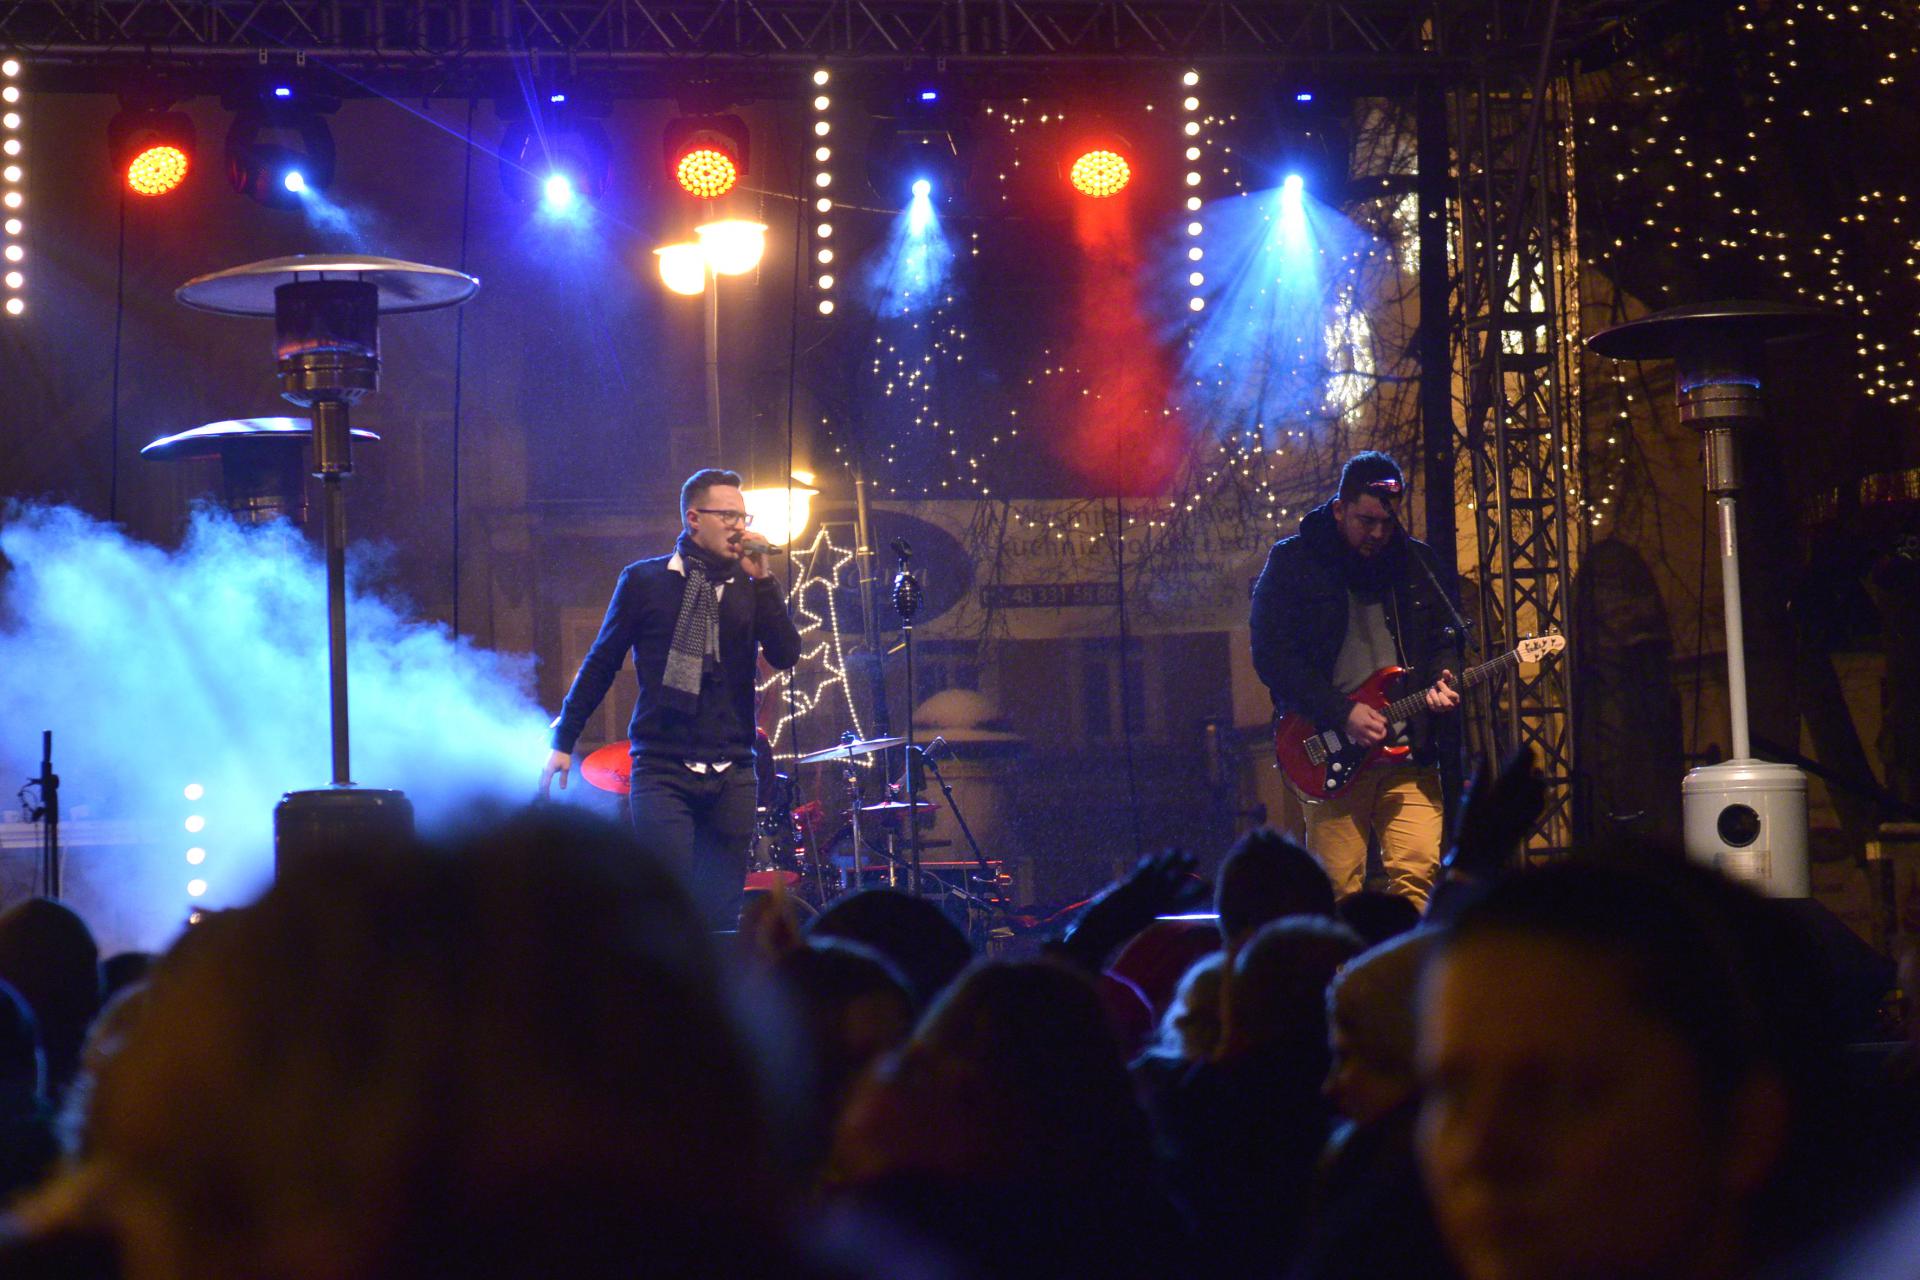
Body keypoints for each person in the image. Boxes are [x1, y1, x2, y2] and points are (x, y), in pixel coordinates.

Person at [540, 469, 803, 931]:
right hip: (663, 767)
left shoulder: (751, 585)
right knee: (668, 906)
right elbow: (602, 662)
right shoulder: (645, 580)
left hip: (733, 770)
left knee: (722, 913)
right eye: (729, 516)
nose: (740, 527)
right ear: (694, 518)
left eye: (744, 517)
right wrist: (564, 738)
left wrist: (764, 581)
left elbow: (785, 655)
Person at [1250, 451, 1463, 907]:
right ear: (1339, 509)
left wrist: (1445, 676)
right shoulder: (1294, 562)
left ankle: (1405, 956)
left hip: (1410, 749)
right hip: (1331, 748)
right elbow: (1271, 656)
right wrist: (1341, 711)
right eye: (1366, 521)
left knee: (1418, 878)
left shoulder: (1416, 563)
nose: (1378, 533)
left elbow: (1445, 637)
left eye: (1387, 522)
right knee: (1338, 888)